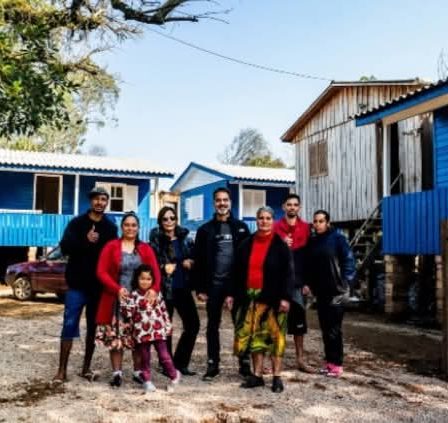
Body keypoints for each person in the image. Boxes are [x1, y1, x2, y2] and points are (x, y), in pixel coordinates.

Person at [53, 187, 118, 384]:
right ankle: (61, 371)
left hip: (98, 288)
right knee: (69, 324)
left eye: (103, 199)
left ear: (107, 202)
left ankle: (86, 369)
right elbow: (64, 247)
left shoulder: (110, 228)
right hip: (77, 285)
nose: (100, 202)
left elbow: (113, 256)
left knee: (92, 328)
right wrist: (85, 240)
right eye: (96, 199)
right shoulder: (77, 223)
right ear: (91, 201)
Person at [227, 206, 294, 393]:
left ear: (273, 221)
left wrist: (286, 298)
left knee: (276, 338)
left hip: (274, 299)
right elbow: (235, 271)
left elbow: (289, 274)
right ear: (256, 220)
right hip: (250, 298)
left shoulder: (281, 246)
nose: (264, 221)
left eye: (268, 218)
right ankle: (257, 375)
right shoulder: (246, 244)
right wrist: (231, 294)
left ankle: (277, 377)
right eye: (261, 218)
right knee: (256, 338)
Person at [96, 212, 161, 387]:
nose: (130, 228)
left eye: (133, 225)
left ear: (138, 228)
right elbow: (101, 271)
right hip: (117, 299)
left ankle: (138, 372)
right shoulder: (111, 246)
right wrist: (116, 289)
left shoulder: (145, 248)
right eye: (127, 225)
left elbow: (155, 273)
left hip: (139, 301)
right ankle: (117, 373)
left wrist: (154, 289)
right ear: (122, 227)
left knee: (138, 337)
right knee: (117, 337)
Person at [194, 187, 251, 381]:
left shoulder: (241, 228)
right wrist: (200, 288)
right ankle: (213, 365)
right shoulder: (205, 230)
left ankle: (244, 365)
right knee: (212, 326)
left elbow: (247, 259)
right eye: (218, 200)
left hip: (237, 286)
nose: (222, 203)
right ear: (214, 203)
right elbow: (199, 261)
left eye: (225, 200)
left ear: (230, 202)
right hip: (214, 286)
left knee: (241, 325)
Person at [304, 210, 356, 378]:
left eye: (321, 221)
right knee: (325, 328)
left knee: (334, 329)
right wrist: (310, 284)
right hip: (322, 292)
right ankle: (329, 363)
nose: (318, 224)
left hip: (338, 292)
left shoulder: (338, 239)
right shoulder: (313, 241)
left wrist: (346, 283)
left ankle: (337, 365)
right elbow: (310, 265)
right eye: (315, 221)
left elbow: (349, 261)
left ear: (328, 222)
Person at [149, 206, 199, 376]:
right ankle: (167, 364)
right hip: (165, 289)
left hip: (183, 287)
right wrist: (163, 267)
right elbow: (151, 261)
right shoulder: (156, 238)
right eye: (165, 219)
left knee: (193, 325)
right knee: (166, 327)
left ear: (176, 219)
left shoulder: (185, 237)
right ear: (160, 221)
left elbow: (194, 256)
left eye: (172, 218)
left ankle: (181, 362)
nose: (169, 221)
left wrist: (191, 262)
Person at [121, 264, 181, 392]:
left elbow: (164, 311)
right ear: (137, 279)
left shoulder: (156, 294)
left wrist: (168, 326)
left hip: (158, 330)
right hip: (142, 332)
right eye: (142, 278)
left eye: (148, 279)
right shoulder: (133, 295)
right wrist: (124, 303)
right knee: (145, 357)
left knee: (164, 356)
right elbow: (128, 314)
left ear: (153, 280)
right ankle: (147, 381)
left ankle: (174, 376)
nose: (145, 282)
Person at [274, 194, 313, 373]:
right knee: (276, 323)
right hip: (279, 283)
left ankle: (300, 359)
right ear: (284, 207)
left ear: (299, 207)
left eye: (295, 205)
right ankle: (276, 360)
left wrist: (307, 282)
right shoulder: (275, 227)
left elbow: (308, 257)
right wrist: (281, 244)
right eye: (289, 204)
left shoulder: (306, 228)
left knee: (299, 324)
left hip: (298, 283)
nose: (292, 207)